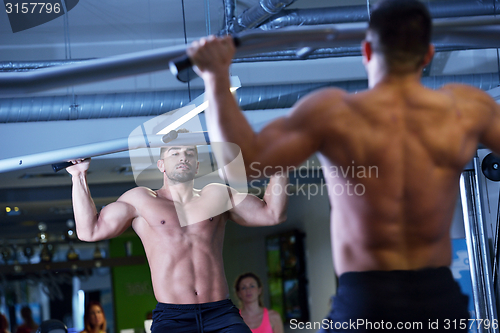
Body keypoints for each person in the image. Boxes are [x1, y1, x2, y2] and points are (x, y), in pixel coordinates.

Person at [187, 0, 500, 330]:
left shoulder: (334, 113)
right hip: (438, 298)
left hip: (367, 298)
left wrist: (216, 77)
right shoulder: (466, 109)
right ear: (427, 54)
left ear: (366, 51)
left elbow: (241, 167)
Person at [67, 141, 288, 333]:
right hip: (173, 318)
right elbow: (89, 231)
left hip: (220, 312)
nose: (183, 157)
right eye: (175, 153)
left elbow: (272, 213)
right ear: (161, 164)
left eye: (190, 153)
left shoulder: (217, 195)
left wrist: (280, 163)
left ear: (197, 165)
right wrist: (79, 175)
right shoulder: (141, 201)